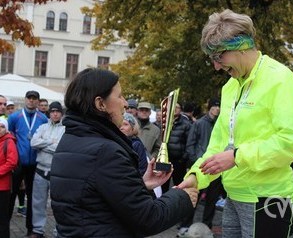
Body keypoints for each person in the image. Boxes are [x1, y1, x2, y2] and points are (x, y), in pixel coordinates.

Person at [178, 9, 293, 238]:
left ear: (241, 47)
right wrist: (196, 177)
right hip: (234, 194)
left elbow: (290, 142)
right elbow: (218, 143)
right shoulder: (230, 87)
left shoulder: (281, 79)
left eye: (218, 57)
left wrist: (237, 156)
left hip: (269, 197)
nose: (216, 67)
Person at [50, 68, 198, 237]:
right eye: (119, 96)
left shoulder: (71, 139)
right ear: (100, 104)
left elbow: (95, 198)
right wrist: (182, 197)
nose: (126, 103)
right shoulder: (105, 151)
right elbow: (147, 219)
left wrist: (140, 185)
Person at [180, 98, 223, 236]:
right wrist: (196, 160)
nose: (217, 109)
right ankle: (185, 225)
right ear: (209, 107)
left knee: (211, 200)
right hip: (201, 167)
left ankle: (207, 227)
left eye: (219, 107)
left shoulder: (222, 124)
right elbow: (190, 144)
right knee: (193, 198)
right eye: (215, 106)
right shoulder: (199, 123)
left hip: (216, 168)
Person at [7, 90, 48, 236]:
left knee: (32, 197)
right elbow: (10, 136)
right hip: (18, 163)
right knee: (11, 195)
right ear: (25, 100)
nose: (31, 101)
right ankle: (4, 228)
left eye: (34, 99)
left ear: (37, 101)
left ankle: (31, 229)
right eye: (29, 98)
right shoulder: (14, 117)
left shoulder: (43, 118)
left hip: (35, 165)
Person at [30, 101, 65, 238]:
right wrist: (52, 142)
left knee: (57, 204)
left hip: (56, 172)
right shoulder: (43, 127)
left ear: (61, 113)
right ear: (49, 113)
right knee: (38, 202)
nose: (55, 114)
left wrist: (43, 144)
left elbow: (61, 149)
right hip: (40, 170)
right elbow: (33, 143)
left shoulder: (65, 129)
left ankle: (58, 231)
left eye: (57, 111)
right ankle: (38, 230)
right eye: (52, 111)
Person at [0, 117, 18, 238]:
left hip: (3, 186)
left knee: (2, 218)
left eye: (2, 126)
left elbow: (12, 162)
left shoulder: (9, 141)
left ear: (6, 129)